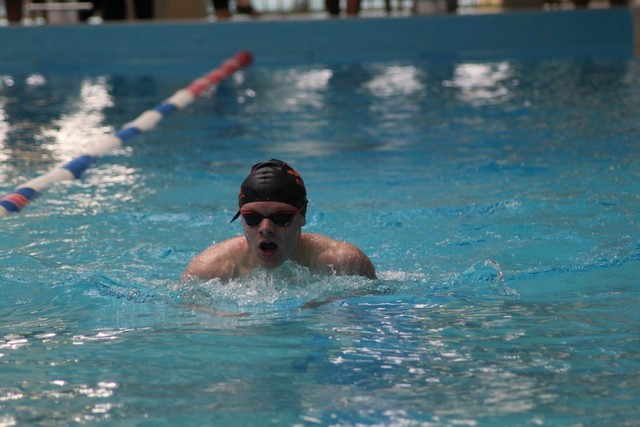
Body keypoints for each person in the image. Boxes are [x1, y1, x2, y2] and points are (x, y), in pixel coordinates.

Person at [182, 159, 376, 281]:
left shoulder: (345, 264)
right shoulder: (207, 271)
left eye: (281, 217)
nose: (266, 228)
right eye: (252, 218)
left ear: (302, 214)